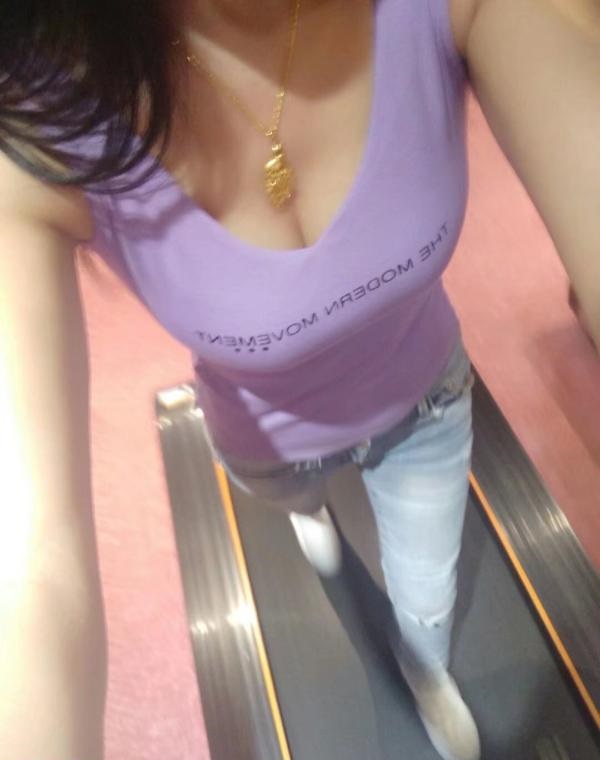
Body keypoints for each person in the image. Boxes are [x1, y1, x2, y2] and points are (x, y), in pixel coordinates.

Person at [4, 1, 598, 759]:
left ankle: (426, 673)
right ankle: (311, 517)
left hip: (427, 405)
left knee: (428, 596)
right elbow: (27, 576)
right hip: (265, 443)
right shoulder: (40, 118)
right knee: (305, 514)